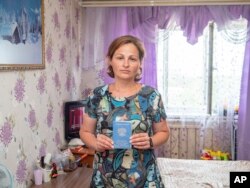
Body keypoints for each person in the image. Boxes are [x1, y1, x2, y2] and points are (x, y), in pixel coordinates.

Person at [80, 35, 170, 188]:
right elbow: (85, 131)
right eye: (120, 57)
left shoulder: (151, 96)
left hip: (144, 178)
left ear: (140, 64)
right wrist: (95, 143)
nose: (126, 64)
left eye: (132, 59)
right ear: (110, 61)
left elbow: (164, 132)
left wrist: (150, 141)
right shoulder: (96, 96)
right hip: (105, 177)